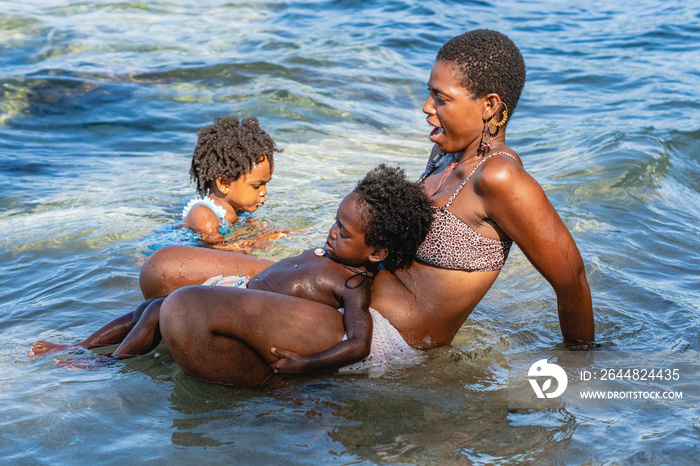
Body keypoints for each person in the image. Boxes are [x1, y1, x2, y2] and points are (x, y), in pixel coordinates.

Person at [127, 29, 594, 387]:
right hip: (342, 285)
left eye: (442, 99)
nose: (427, 108)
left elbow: (570, 278)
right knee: (164, 268)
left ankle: (291, 397)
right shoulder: (447, 153)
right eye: (430, 92)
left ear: (490, 105)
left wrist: (581, 372)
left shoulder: (502, 178)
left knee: (186, 311)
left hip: (378, 331)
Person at [31, 166, 433, 378]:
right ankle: (82, 346)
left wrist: (306, 365)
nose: (331, 233)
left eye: (344, 233)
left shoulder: (354, 283)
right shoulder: (329, 254)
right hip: (239, 288)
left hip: (245, 303)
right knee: (151, 306)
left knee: (161, 308)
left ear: (377, 251)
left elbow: (358, 344)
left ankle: (112, 363)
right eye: (334, 222)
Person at [179, 115, 285, 249]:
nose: (264, 192)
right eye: (256, 186)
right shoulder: (203, 214)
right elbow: (217, 251)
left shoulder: (240, 212)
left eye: (265, 184)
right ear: (224, 183)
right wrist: (259, 242)